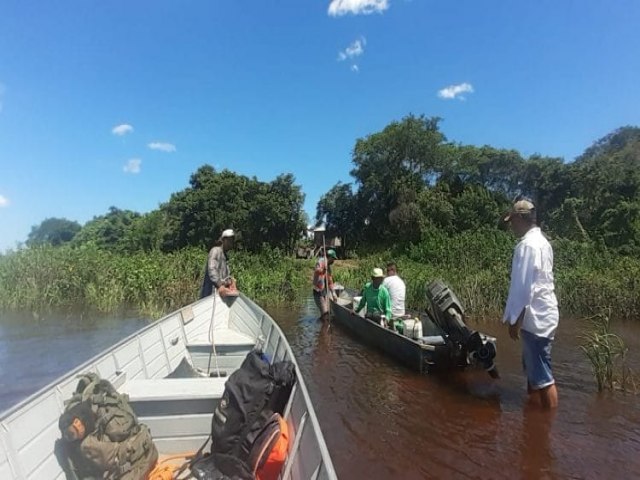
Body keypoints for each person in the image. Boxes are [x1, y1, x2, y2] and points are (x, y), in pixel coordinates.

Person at [502, 199, 559, 410]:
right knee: (534, 373)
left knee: (543, 377)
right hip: (544, 314)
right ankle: (533, 420)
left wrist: (514, 320)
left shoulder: (526, 245)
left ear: (520, 218)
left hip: (535, 318)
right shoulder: (543, 242)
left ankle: (547, 426)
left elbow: (524, 287)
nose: (511, 226)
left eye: (512, 221)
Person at [200, 228, 238, 299]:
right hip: (209, 296)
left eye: (232, 241)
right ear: (223, 240)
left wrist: (230, 282)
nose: (231, 243)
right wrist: (220, 285)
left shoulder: (225, 257)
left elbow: (225, 277)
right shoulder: (215, 251)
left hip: (219, 297)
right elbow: (212, 269)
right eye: (229, 240)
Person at [313, 248, 338, 319]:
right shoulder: (321, 261)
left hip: (325, 291)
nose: (334, 261)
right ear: (330, 257)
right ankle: (324, 327)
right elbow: (317, 270)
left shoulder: (329, 267)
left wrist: (333, 293)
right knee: (325, 314)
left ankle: (321, 326)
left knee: (328, 313)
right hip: (318, 291)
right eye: (333, 259)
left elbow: (330, 280)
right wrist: (323, 270)